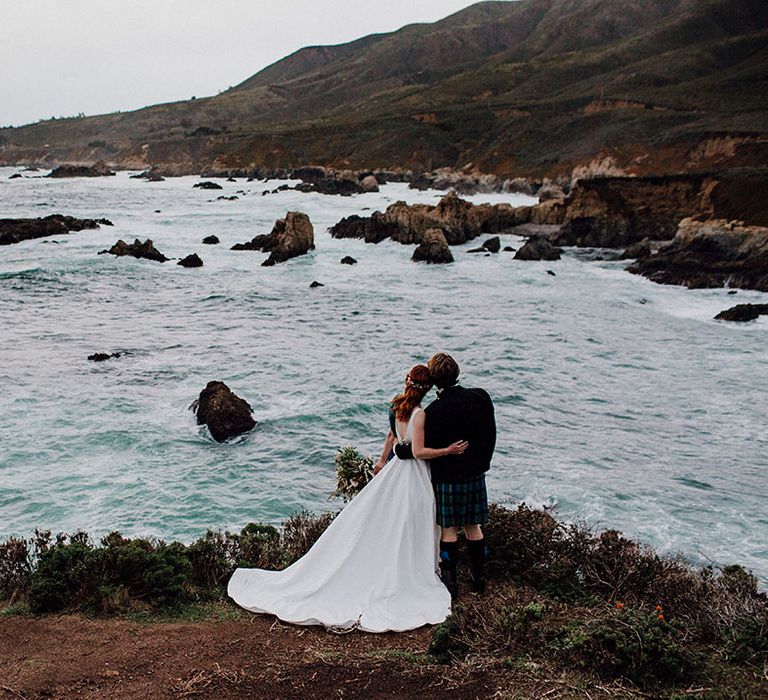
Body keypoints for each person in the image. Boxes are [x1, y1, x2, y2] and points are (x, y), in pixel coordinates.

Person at [227, 364, 467, 632]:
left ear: (407, 381)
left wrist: (380, 462)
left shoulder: (396, 405)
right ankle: (414, 569)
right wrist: (448, 450)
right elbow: (420, 452)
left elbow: (391, 436)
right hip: (413, 474)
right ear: (428, 388)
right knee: (411, 521)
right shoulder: (420, 414)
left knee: (392, 519)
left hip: (394, 470)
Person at [395, 353, 496, 598]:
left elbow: (420, 449)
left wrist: (399, 449)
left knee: (448, 530)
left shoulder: (434, 412)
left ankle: (451, 585)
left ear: (435, 381)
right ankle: (479, 578)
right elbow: (490, 434)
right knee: (474, 526)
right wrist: (482, 463)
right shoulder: (481, 397)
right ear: (457, 372)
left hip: (448, 478)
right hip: (474, 473)